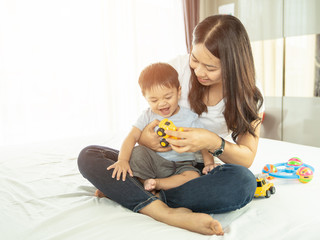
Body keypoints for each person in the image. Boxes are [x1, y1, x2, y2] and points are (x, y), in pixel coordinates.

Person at [78, 14, 264, 236]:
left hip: (191, 168)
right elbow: (151, 106)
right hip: (153, 160)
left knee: (243, 182)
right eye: (195, 59)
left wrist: (212, 141)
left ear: (233, 65)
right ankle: (163, 211)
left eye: (210, 67)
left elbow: (247, 157)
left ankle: (144, 193)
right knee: (89, 155)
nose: (199, 71)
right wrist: (145, 139)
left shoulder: (249, 94)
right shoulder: (177, 68)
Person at [106, 62, 216, 193]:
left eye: (168, 97)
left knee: (193, 176)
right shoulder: (147, 115)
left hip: (183, 165)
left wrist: (209, 163)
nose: (162, 103)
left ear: (179, 91)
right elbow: (131, 136)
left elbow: (204, 143)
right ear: (145, 98)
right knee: (137, 152)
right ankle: (140, 183)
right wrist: (122, 160)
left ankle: (156, 185)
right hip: (155, 162)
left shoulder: (189, 117)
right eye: (154, 100)